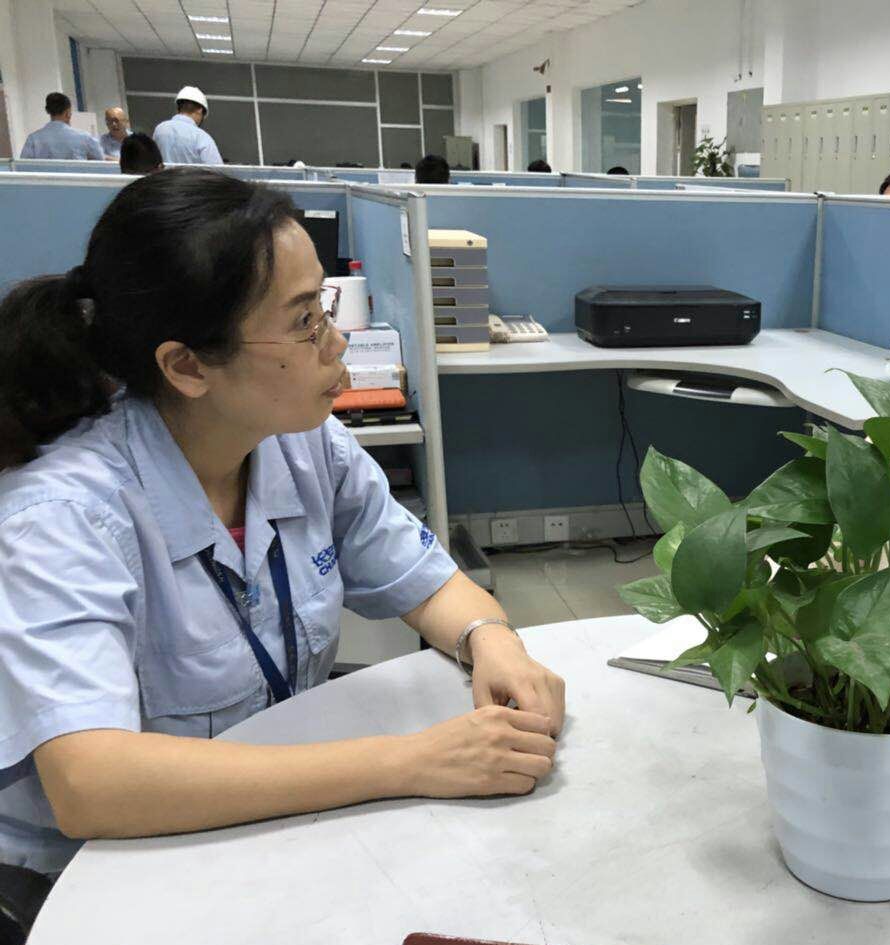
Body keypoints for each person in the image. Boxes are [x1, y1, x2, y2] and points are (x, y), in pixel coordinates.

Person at [0, 169, 565, 874]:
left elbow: (425, 579)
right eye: (304, 323)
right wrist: (410, 761)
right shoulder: (62, 518)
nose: (336, 343)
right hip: (100, 871)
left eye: (324, 307)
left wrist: (493, 640)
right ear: (187, 366)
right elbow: (92, 784)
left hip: (266, 823)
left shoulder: (303, 445)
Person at [19, 92, 104, 161]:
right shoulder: (85, 137)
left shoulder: (33, 139)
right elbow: (100, 161)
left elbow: (24, 167)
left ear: (47, 111)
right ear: (68, 113)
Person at [152, 86, 222, 165]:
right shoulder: (202, 137)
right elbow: (217, 169)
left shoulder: (160, 129)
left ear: (178, 108)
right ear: (200, 110)